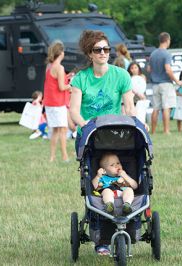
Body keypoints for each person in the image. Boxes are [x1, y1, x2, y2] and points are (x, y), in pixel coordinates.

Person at [69, 30, 136, 256]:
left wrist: (135, 124)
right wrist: (86, 126)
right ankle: (101, 237)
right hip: (91, 137)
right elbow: (74, 112)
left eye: (106, 49)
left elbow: (129, 106)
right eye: (98, 50)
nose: (103, 53)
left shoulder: (121, 75)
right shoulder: (80, 79)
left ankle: (129, 224)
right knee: (94, 183)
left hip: (117, 136)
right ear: (90, 54)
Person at [148, 32, 182, 134]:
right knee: (166, 107)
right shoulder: (166, 54)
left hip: (155, 84)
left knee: (155, 108)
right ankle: (166, 130)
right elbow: (168, 69)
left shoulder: (153, 54)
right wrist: (177, 81)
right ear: (167, 40)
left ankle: (153, 131)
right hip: (165, 83)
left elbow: (149, 69)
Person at [43, 40, 71, 162]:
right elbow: (61, 87)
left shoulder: (49, 67)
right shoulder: (60, 68)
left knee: (54, 130)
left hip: (49, 102)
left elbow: (53, 83)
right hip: (58, 103)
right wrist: (71, 85)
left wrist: (67, 78)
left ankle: (52, 157)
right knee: (63, 129)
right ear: (60, 53)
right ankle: (65, 156)